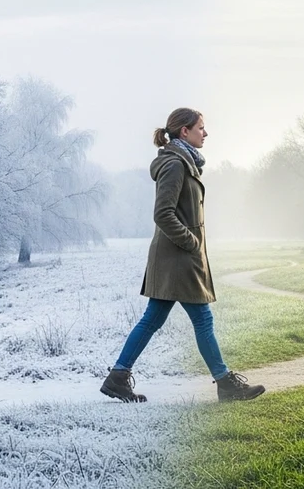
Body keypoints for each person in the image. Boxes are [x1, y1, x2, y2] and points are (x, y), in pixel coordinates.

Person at [100, 108, 265, 403]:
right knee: (202, 319)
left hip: (176, 257)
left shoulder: (184, 161)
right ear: (183, 131)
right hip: (178, 258)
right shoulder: (175, 165)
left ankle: (118, 377)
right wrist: (190, 241)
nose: (206, 133)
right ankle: (225, 384)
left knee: (153, 319)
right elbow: (163, 214)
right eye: (201, 127)